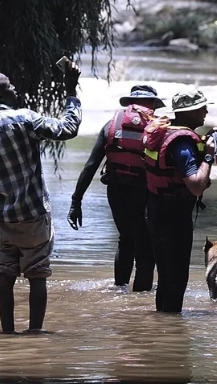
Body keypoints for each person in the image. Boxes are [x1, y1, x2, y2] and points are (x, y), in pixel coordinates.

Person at [0, 66, 82, 334]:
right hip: (33, 215)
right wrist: (71, 90)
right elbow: (68, 128)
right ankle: (35, 333)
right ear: (2, 93)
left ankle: (8, 334)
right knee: (37, 274)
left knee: (5, 274)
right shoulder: (24, 119)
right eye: (11, 86)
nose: (15, 89)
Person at [68, 84, 165, 291]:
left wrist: (76, 202)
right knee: (145, 248)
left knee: (126, 239)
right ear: (152, 105)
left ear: (130, 104)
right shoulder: (158, 129)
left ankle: (119, 290)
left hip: (117, 191)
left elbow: (90, 166)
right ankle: (139, 301)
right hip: (145, 193)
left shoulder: (111, 125)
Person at [142, 89, 217, 313]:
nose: (206, 111)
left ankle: (161, 326)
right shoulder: (183, 143)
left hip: (155, 210)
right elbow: (196, 186)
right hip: (173, 216)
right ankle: (170, 333)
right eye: (201, 108)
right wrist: (208, 155)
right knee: (176, 278)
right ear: (189, 112)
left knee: (166, 276)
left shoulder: (165, 132)